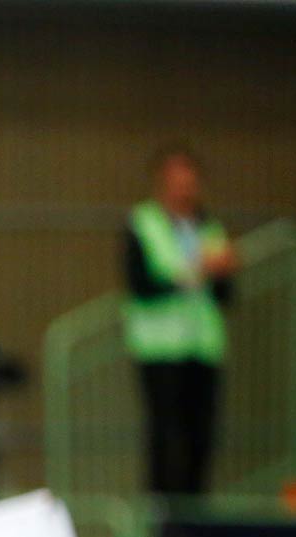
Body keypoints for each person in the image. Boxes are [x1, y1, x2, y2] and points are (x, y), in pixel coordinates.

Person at [123, 144, 238, 497]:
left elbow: (225, 294)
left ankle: (195, 515)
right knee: (165, 436)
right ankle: (161, 518)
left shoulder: (210, 227)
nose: (184, 190)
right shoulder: (143, 223)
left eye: (190, 183)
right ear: (162, 184)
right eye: (177, 183)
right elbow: (141, 285)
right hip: (159, 348)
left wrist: (222, 273)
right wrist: (196, 272)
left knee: (200, 435)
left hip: (203, 347)